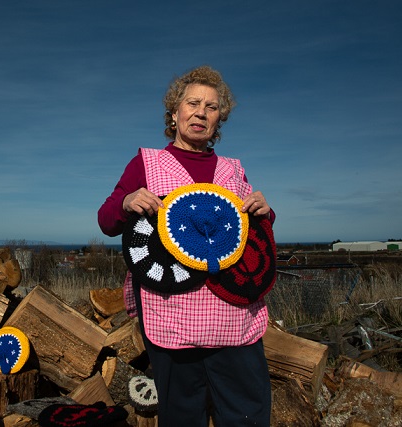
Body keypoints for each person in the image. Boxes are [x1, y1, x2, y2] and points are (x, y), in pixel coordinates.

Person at [98, 65, 274, 426]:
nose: (200, 112)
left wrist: (266, 212)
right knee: (182, 416)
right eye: (192, 103)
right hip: (170, 313)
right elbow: (106, 220)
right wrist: (127, 201)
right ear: (174, 112)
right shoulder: (146, 163)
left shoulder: (233, 169)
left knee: (247, 413)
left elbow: (248, 233)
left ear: (218, 120)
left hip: (235, 315)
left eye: (211, 107)